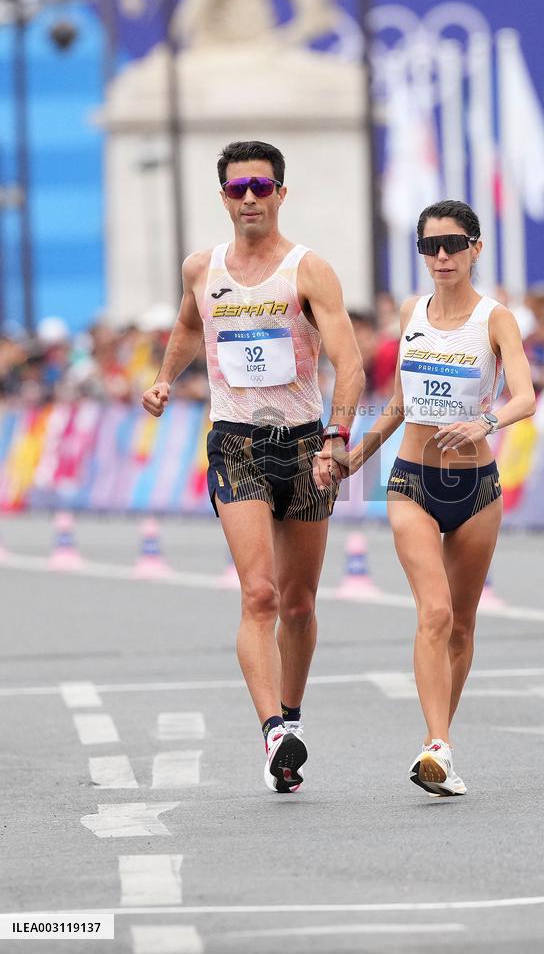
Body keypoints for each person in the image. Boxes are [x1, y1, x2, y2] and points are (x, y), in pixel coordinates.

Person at [142, 140, 364, 793]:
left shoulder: (308, 270)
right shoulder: (200, 267)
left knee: (298, 602)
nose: (248, 198)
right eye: (237, 188)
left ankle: (291, 720)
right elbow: (188, 326)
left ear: (279, 194)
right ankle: (273, 731)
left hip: (302, 445)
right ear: (222, 197)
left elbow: (348, 362)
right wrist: (162, 379)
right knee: (259, 593)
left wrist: (336, 436)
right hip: (235, 440)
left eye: (260, 187)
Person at [318, 200, 535, 796]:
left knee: (462, 626)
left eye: (453, 245)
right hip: (411, 479)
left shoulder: (496, 320)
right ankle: (436, 745)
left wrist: (485, 424)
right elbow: (398, 404)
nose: (441, 256)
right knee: (433, 612)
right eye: (430, 247)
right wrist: (353, 459)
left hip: (476, 487)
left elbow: (526, 397)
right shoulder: (412, 313)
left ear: (475, 249)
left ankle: (439, 741)